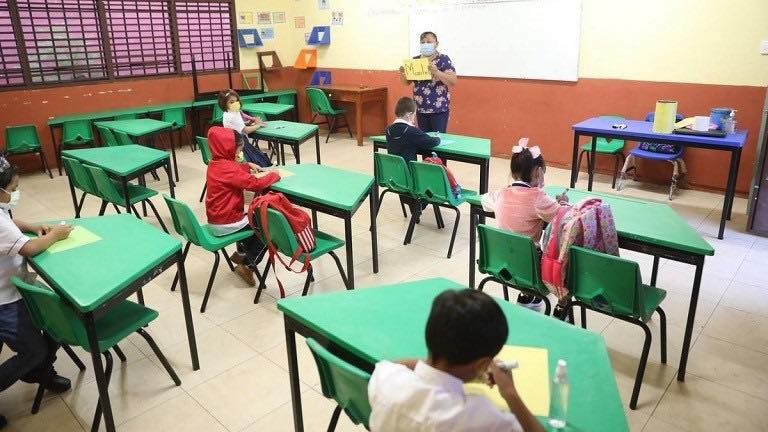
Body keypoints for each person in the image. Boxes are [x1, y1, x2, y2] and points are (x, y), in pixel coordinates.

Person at [368, 289, 544, 432]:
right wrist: (510, 393)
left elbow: (396, 364)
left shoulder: (385, 379)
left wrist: (439, 364)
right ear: (483, 364)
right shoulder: (481, 417)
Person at [0, 158, 73, 429]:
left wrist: (30, 226)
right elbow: (29, 249)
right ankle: (38, 366)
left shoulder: (1, 208)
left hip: (14, 288)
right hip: (4, 299)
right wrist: (55, 234)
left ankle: (43, 372)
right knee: (34, 351)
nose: (16, 193)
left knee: (52, 321)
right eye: (13, 188)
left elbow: (8, 217)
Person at [481, 138, 569, 312]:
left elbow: (484, 199)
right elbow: (563, 216)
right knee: (565, 255)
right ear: (538, 172)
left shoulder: (501, 194)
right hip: (531, 266)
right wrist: (563, 202)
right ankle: (563, 305)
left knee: (519, 247)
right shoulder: (538, 197)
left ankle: (527, 294)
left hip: (502, 262)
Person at [205, 126, 280, 286]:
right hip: (227, 221)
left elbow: (235, 171)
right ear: (228, 148)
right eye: (238, 149)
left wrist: (248, 165)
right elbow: (254, 183)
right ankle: (247, 265)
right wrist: (274, 175)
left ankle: (241, 254)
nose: (240, 153)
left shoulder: (215, 163)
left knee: (254, 218)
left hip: (217, 218)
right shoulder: (229, 169)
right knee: (268, 227)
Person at [385, 97, 440, 222]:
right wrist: (438, 137)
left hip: (396, 175)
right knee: (433, 173)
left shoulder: (388, 130)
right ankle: (419, 204)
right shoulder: (411, 131)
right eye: (414, 114)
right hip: (411, 175)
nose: (415, 117)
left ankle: (412, 204)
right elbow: (430, 142)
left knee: (408, 177)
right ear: (409, 114)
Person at [399, 31, 457, 133]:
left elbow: (453, 81)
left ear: (436, 44)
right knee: (424, 140)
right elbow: (406, 83)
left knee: (438, 139)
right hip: (420, 108)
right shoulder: (415, 61)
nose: (426, 44)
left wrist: (437, 72)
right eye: (423, 42)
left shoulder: (443, 59)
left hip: (439, 109)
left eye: (429, 42)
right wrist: (403, 74)